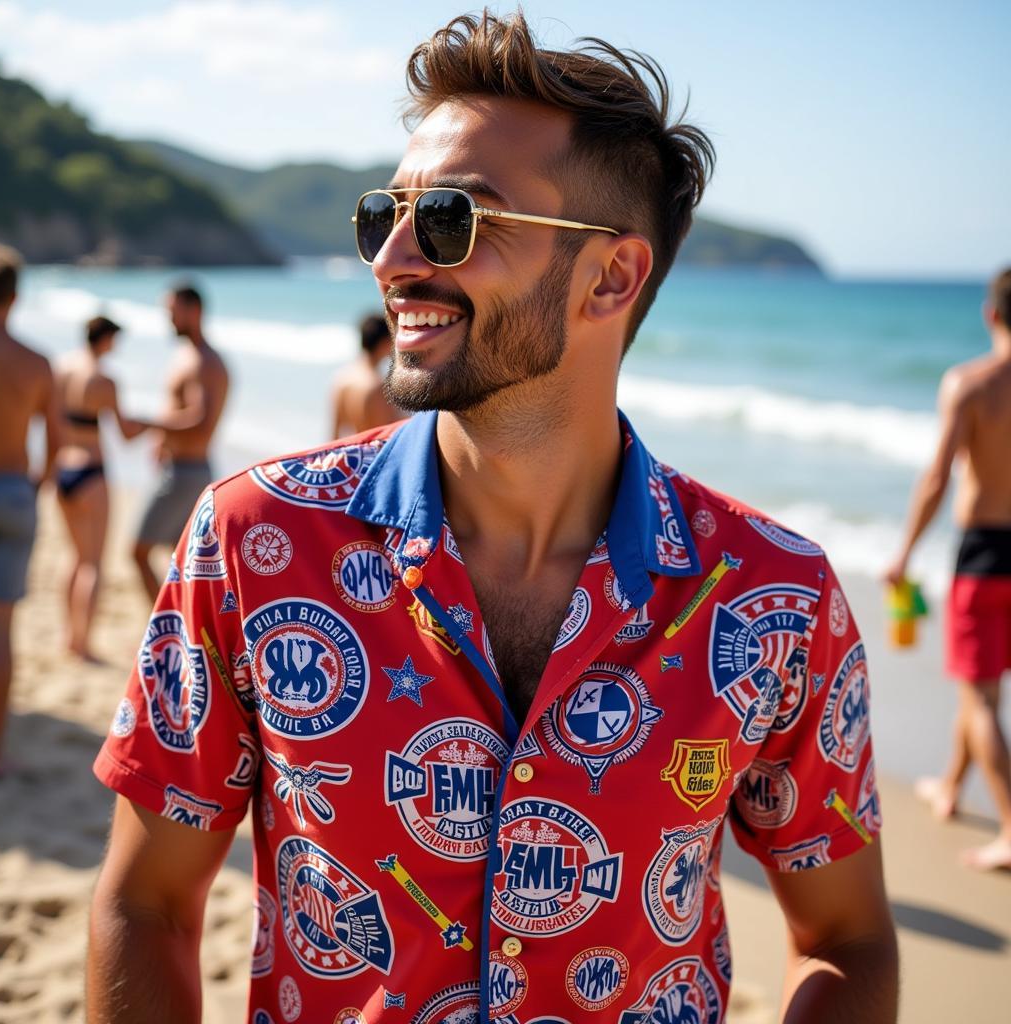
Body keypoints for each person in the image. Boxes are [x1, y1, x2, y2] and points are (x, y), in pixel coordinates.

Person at [88, 12, 898, 1023]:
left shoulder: (776, 598)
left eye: (451, 220)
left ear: (610, 276)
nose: (388, 257)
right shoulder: (255, 543)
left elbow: (847, 938)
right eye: (383, 213)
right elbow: (146, 900)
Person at [885, 267, 1011, 872]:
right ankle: (951, 785)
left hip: (986, 556)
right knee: (981, 685)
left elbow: (938, 477)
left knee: (982, 696)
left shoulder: (972, 384)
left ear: (991, 315)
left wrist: (905, 551)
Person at [0, 243, 58, 776]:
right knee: (3, 632)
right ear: (15, 297)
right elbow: (55, 445)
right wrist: (34, 486)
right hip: (14, 491)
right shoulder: (36, 362)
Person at [53, 316, 149, 661]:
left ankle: (68, 635)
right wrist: (157, 424)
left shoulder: (61, 368)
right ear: (105, 338)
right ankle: (83, 643)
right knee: (94, 562)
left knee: (74, 557)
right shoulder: (105, 379)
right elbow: (125, 433)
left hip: (63, 467)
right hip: (92, 473)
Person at [131, 283, 229, 602]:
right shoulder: (190, 356)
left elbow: (199, 420)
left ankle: (167, 627)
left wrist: (149, 424)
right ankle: (182, 630)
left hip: (186, 474)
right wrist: (162, 438)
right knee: (184, 563)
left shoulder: (203, 361)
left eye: (173, 312)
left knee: (138, 551)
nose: (169, 320)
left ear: (193, 310)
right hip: (185, 470)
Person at [329, 313, 400, 438]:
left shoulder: (341, 378)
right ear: (384, 342)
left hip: (356, 454)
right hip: (375, 456)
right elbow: (388, 438)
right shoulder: (376, 386)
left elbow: (334, 436)